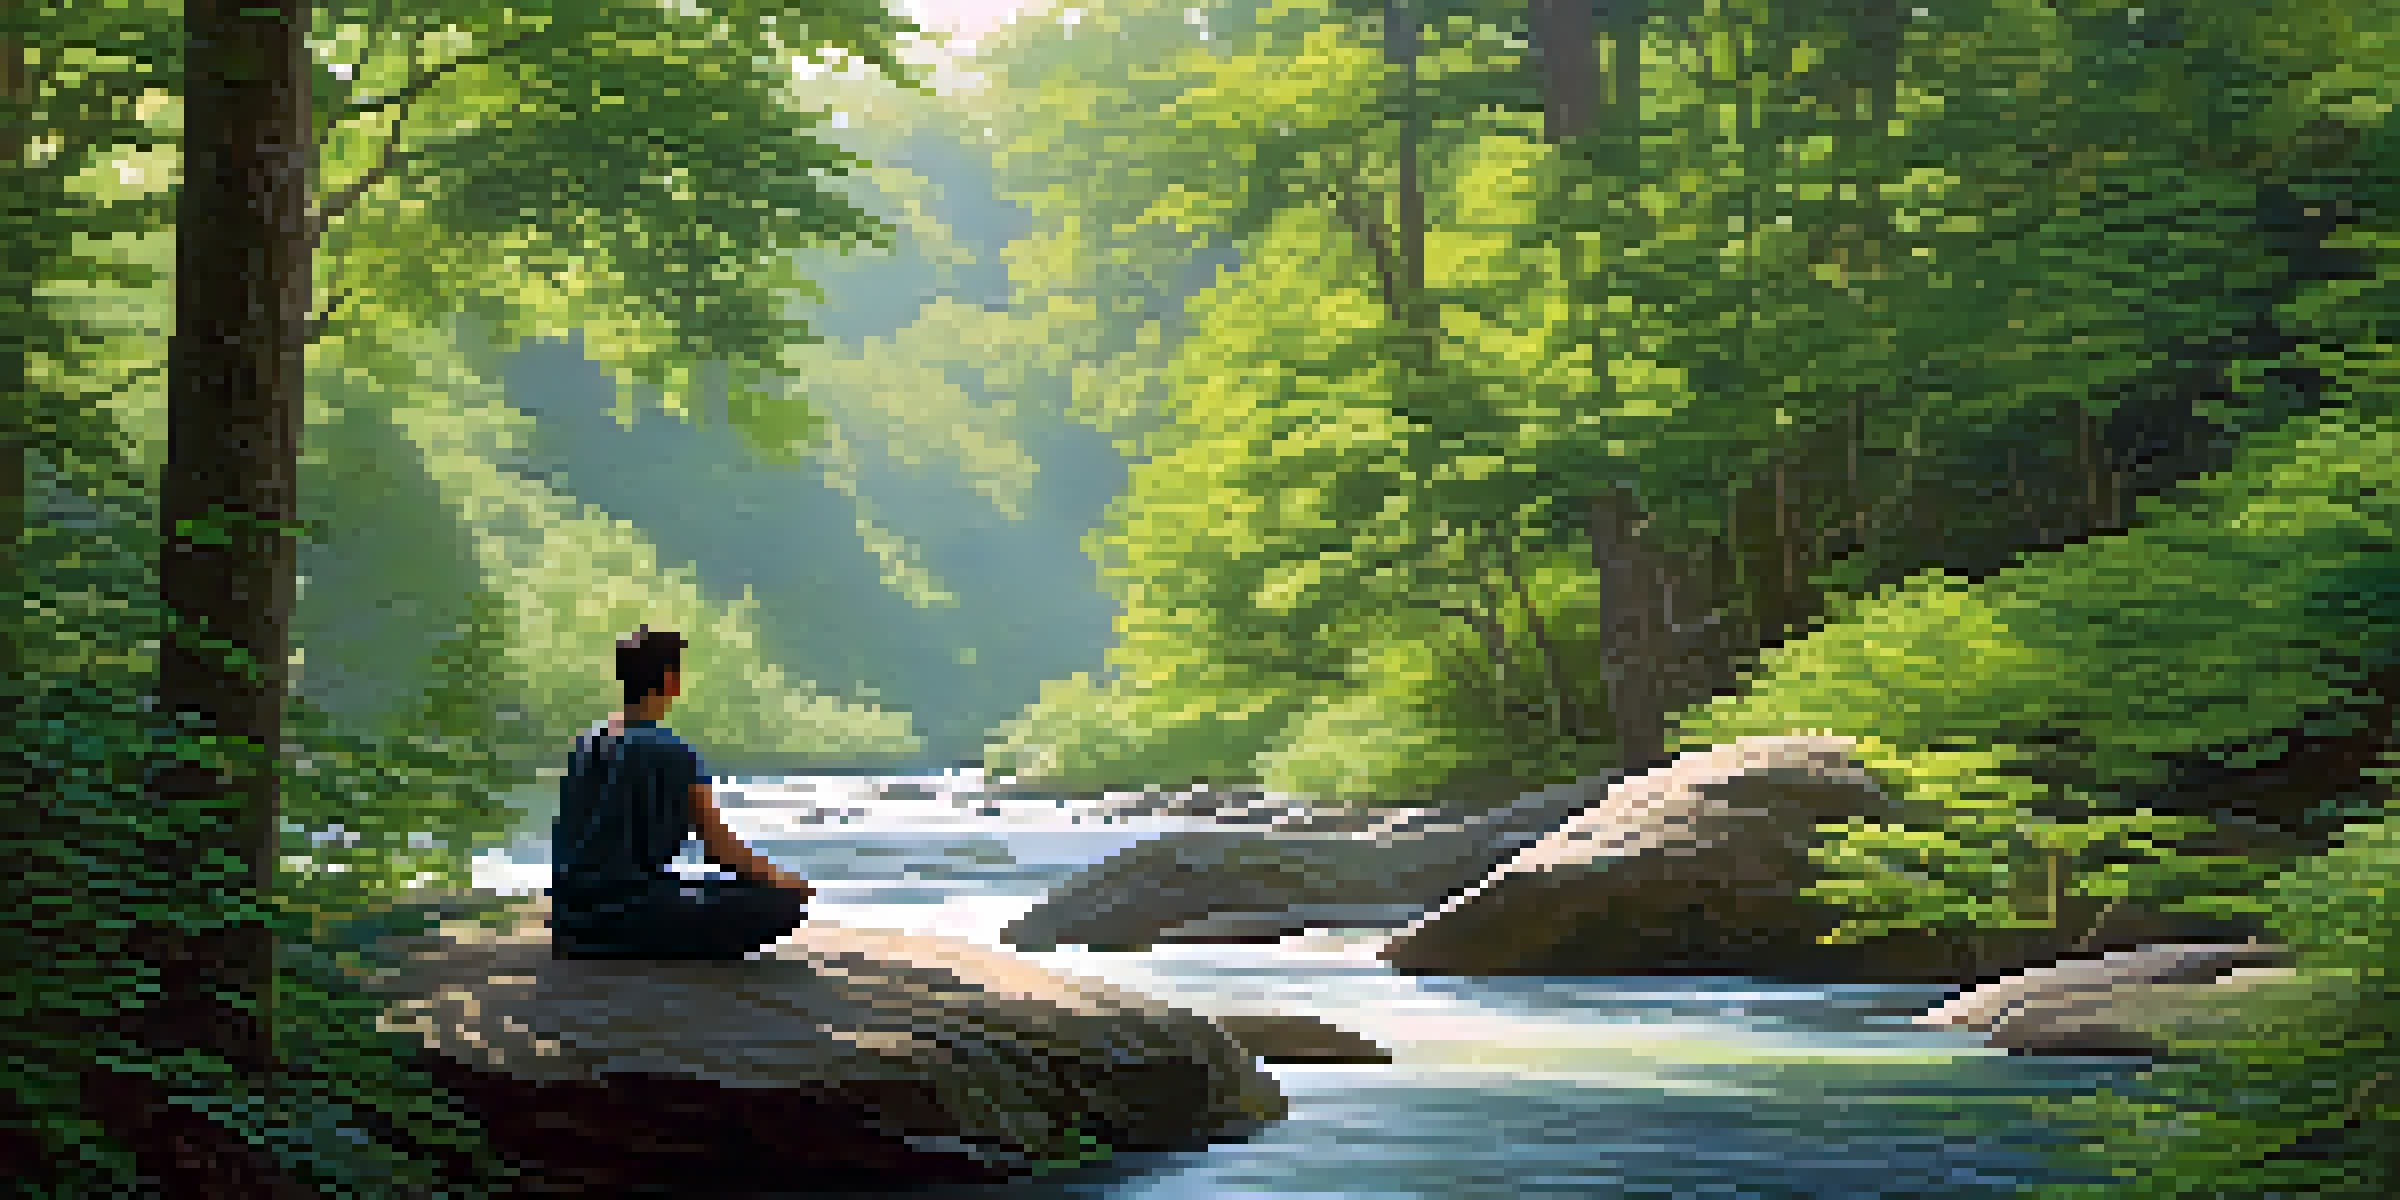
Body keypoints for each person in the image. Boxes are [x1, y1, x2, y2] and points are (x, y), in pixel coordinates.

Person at [548, 625, 814, 960]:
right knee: (781, 902)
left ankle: (595, 937)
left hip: (571, 916)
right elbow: (721, 851)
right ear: (671, 681)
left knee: (697, 886)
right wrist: (788, 881)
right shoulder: (674, 752)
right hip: (632, 913)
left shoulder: (586, 743)